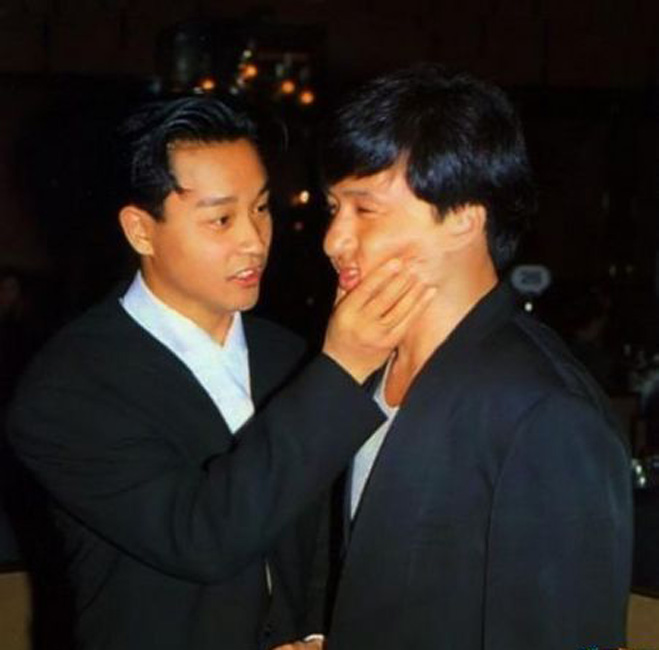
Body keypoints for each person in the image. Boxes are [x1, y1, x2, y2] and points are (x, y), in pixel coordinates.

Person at [6, 96, 434, 650]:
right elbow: (201, 537)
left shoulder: (288, 355)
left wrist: (317, 633)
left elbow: (319, 534)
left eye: (261, 208)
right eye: (221, 219)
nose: (254, 241)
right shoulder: (68, 388)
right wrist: (344, 366)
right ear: (141, 230)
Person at [298, 64, 633, 650]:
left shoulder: (542, 411)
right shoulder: (366, 364)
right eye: (333, 209)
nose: (333, 240)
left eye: (364, 210)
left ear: (462, 218)